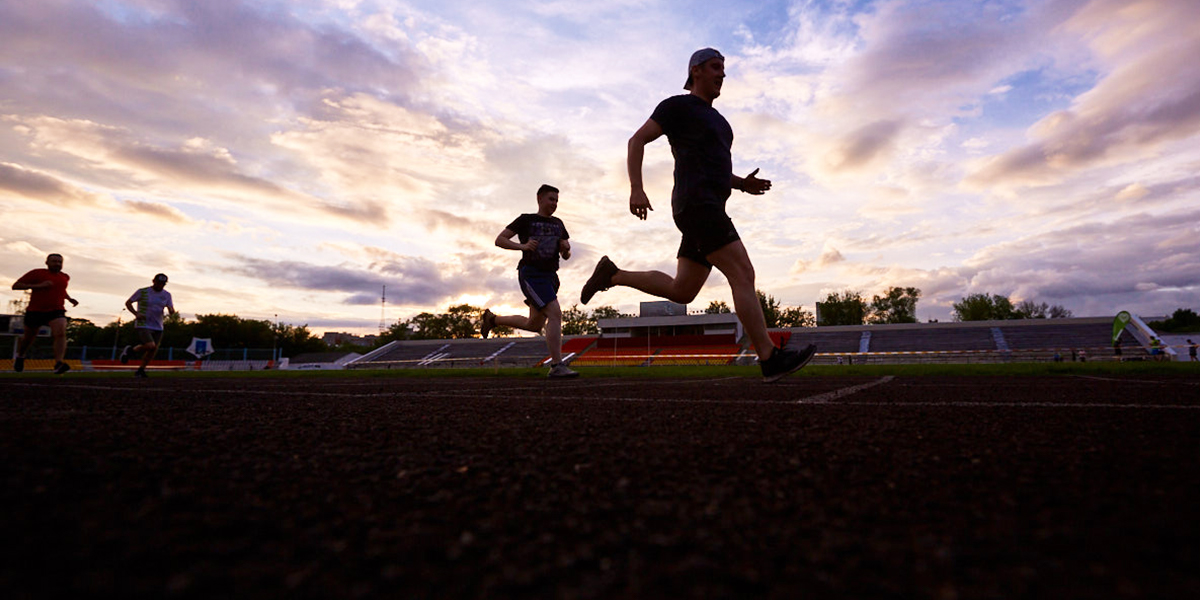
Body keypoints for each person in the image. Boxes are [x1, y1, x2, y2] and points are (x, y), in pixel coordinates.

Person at [580, 47, 816, 382]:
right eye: (715, 67)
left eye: (724, 69)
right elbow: (637, 141)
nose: (722, 74)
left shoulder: (722, 125)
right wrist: (636, 187)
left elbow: (715, 171)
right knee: (743, 273)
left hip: (709, 206)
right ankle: (768, 356)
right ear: (696, 71)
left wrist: (741, 185)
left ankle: (612, 275)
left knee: (682, 291)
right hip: (696, 205)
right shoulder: (676, 106)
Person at [480, 184, 579, 379]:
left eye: (557, 201)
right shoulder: (526, 220)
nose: (554, 204)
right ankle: (557, 365)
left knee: (534, 325)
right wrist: (522, 246)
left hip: (551, 277)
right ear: (540, 198)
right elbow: (500, 240)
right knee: (555, 313)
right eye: (551, 199)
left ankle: (492, 320)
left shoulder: (559, 224)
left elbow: (566, 256)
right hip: (532, 275)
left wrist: (566, 249)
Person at [11, 253, 78, 374]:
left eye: (59, 262)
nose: (57, 264)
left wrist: (69, 298)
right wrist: (38, 286)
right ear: (46, 262)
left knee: (61, 333)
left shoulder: (65, 277)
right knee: (28, 338)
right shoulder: (37, 273)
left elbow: (61, 290)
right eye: (54, 261)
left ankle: (58, 363)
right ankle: (20, 356)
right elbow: (15, 286)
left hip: (56, 310)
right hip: (35, 311)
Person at [120, 273, 176, 378]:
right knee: (151, 345)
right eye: (159, 283)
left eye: (163, 284)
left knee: (152, 350)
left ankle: (141, 370)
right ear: (153, 281)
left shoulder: (167, 295)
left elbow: (170, 307)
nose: (160, 285)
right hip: (143, 323)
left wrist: (171, 311)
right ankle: (131, 350)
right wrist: (136, 314)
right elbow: (128, 303)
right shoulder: (143, 291)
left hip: (158, 325)